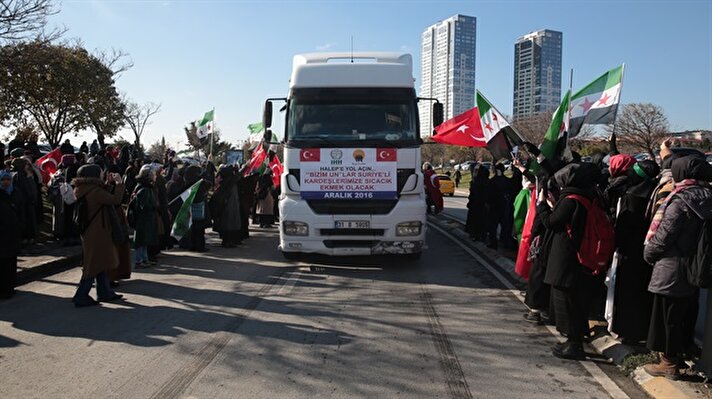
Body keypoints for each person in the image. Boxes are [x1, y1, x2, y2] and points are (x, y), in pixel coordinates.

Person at [643, 156, 712, 379]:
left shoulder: (680, 200)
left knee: (667, 317)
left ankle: (668, 362)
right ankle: (681, 353)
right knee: (685, 314)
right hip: (697, 266)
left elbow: (664, 235)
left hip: (672, 267)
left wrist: (649, 252)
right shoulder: (708, 197)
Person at [539, 163, 601, 359]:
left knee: (567, 301)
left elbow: (551, 223)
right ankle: (574, 340)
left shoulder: (571, 200)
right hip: (580, 257)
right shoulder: (589, 196)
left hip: (567, 257)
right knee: (575, 300)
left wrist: (542, 206)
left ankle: (574, 344)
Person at [72, 164, 124, 307]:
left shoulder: (83, 189)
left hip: (91, 231)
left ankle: (104, 292)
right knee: (93, 264)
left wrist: (107, 184)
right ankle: (81, 295)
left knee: (99, 261)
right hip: (98, 231)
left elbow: (102, 198)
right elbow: (115, 200)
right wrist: (119, 184)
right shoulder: (95, 191)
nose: (103, 175)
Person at [0, 170, 21, 299]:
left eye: (8, 180)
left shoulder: (15, 193)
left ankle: (10, 287)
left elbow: (20, 209)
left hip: (13, 233)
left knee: (11, 261)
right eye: (3, 180)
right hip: (2, 233)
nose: (6, 182)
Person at [132, 165, 158, 268]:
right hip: (143, 218)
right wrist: (152, 207)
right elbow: (143, 205)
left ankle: (144, 258)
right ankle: (139, 260)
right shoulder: (144, 188)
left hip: (147, 218)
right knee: (141, 239)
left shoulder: (147, 187)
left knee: (145, 239)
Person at [210, 165, 243, 247]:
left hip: (226, 206)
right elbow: (238, 176)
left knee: (226, 224)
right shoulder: (231, 181)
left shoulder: (224, 183)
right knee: (230, 224)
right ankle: (229, 242)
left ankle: (227, 241)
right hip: (230, 206)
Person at [465, 163, 489, 241]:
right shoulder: (486, 182)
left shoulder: (475, 183)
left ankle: (475, 234)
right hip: (483, 206)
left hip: (476, 205)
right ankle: (481, 235)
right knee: (483, 221)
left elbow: (472, 195)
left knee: (475, 221)